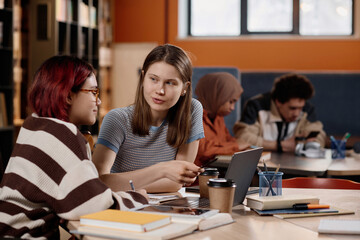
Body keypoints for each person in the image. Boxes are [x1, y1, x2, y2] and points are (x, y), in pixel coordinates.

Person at [0, 56, 147, 239]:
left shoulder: (35, 125)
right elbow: (94, 206)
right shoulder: (62, 135)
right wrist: (139, 197)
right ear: (68, 95)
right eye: (93, 92)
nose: (98, 101)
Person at [92, 44, 204, 193]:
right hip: (123, 207)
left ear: (184, 88)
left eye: (170, 83)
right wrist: (162, 170)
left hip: (165, 205)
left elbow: (177, 182)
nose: (160, 90)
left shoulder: (192, 110)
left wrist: (122, 184)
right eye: (154, 79)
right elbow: (98, 181)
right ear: (143, 78)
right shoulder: (117, 119)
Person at [234, 73, 326, 153]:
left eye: (300, 108)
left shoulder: (307, 109)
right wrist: (280, 145)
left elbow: (319, 135)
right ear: (278, 102)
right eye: (292, 108)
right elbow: (243, 138)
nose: (297, 114)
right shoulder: (256, 106)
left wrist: (310, 143)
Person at [194, 72, 250, 167]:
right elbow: (204, 151)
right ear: (216, 96)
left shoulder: (218, 116)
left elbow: (228, 140)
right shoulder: (192, 116)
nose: (233, 108)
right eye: (231, 102)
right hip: (198, 177)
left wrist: (244, 149)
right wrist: (236, 146)